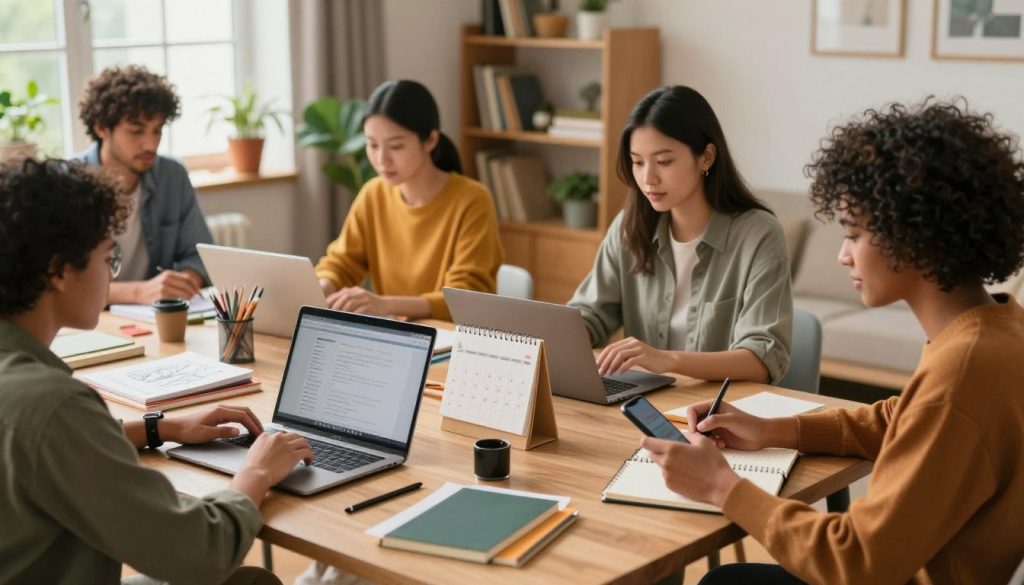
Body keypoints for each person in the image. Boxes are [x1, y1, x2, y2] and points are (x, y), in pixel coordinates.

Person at [643, 99, 1024, 584]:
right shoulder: (997, 328)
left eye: (854, 234)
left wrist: (722, 485)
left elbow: (856, 561)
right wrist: (774, 431)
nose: (843, 256)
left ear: (915, 237)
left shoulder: (964, 371)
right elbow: (903, 419)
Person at [0, 158, 313, 584]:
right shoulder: (52, 404)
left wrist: (158, 428)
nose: (112, 277)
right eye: (109, 259)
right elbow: (199, 553)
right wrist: (256, 471)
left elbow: (37, 447)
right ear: (58, 270)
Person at [567, 85, 792, 383]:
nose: (648, 178)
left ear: (706, 157)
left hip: (721, 413)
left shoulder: (758, 235)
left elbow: (762, 359)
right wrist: (563, 332)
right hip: (644, 402)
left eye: (664, 162)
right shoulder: (629, 226)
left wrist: (667, 360)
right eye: (637, 162)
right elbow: (592, 312)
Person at [315, 79, 503, 321]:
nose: (382, 159)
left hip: (453, 340)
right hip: (395, 340)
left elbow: (465, 296)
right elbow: (342, 263)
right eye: (372, 145)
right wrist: (322, 288)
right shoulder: (373, 194)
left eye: (396, 146)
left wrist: (384, 304)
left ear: (430, 140)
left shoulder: (472, 200)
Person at [76, 64, 214, 305]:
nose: (150, 145)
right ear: (101, 127)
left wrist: (183, 282)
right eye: (136, 131)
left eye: (157, 131)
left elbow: (199, 255)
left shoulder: (172, 176)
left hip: (152, 320)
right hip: (89, 323)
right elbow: (57, 287)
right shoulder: (68, 184)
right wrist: (139, 292)